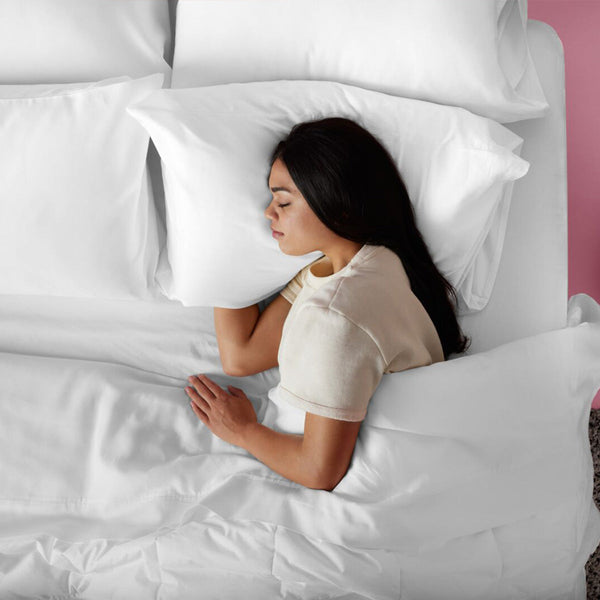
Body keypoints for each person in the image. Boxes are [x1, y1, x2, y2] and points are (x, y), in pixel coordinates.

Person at [185, 117, 470, 491]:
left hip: (381, 482)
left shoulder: (337, 315)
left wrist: (243, 430)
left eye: (284, 201)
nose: (268, 213)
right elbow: (243, 355)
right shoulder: (361, 262)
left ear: (338, 204)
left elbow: (320, 471)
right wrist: (226, 239)